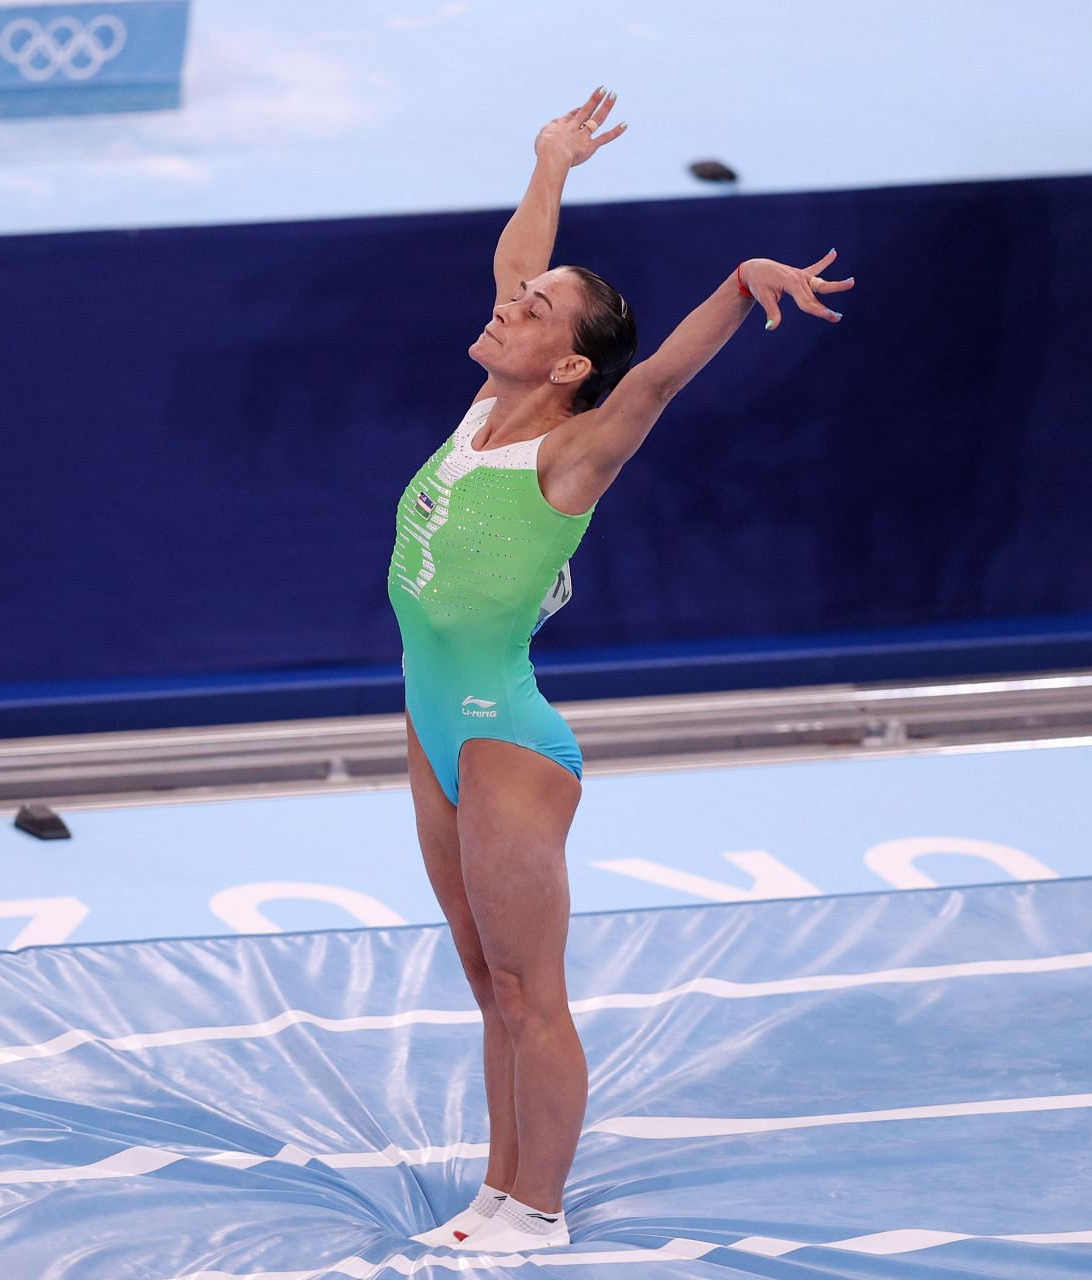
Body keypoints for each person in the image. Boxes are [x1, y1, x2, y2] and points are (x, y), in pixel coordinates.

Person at [387, 87, 853, 1252]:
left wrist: (741, 283)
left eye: (534, 310)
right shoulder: (486, 408)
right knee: (488, 980)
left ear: (569, 363)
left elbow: (653, 384)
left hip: (504, 736)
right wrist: (548, 162)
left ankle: (537, 1210)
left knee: (531, 988)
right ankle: (499, 1187)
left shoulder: (572, 450)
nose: (510, 303)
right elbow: (519, 253)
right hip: (432, 716)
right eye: (518, 297)